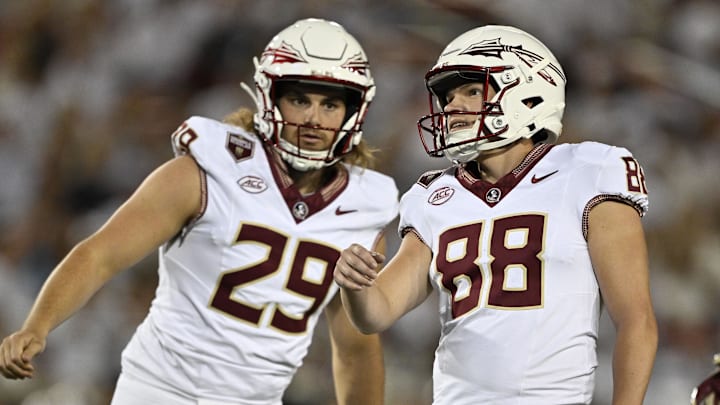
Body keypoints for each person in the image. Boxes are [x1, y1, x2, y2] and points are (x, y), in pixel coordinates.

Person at [0, 18, 397, 405]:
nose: (313, 118)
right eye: (299, 99)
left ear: (353, 113)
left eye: (330, 104)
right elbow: (100, 255)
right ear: (269, 98)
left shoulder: (364, 209)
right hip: (159, 389)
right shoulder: (209, 166)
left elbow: (354, 348)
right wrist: (38, 325)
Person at [334, 24, 657, 404]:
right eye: (448, 96)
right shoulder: (433, 194)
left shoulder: (590, 170)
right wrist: (354, 284)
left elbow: (637, 322)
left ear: (531, 94)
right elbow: (377, 312)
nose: (452, 107)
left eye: (471, 91)